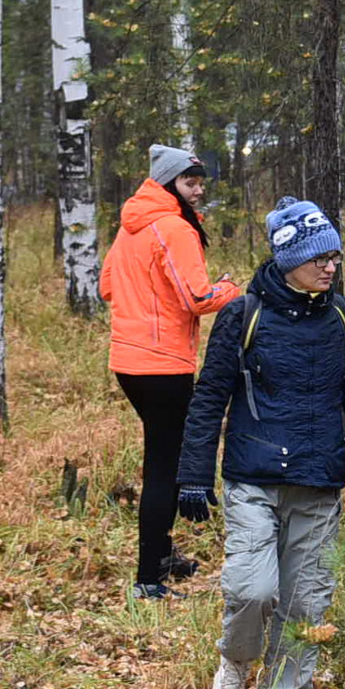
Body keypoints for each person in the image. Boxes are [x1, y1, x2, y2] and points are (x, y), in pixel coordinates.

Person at [178, 201, 345, 689]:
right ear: (289, 257)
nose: (330, 267)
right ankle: (234, 663)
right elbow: (209, 398)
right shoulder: (241, 315)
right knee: (253, 590)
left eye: (335, 257)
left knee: (305, 600)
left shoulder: (344, 316)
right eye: (320, 257)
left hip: (319, 479)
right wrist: (194, 476)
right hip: (253, 474)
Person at [103, 145, 243, 599]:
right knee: (166, 468)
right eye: (189, 182)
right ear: (168, 184)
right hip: (162, 364)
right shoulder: (172, 228)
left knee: (161, 460)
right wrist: (232, 289)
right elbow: (198, 298)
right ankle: (149, 579)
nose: (198, 191)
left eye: (201, 182)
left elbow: (107, 285)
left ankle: (161, 556)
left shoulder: (132, 226)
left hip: (129, 362)